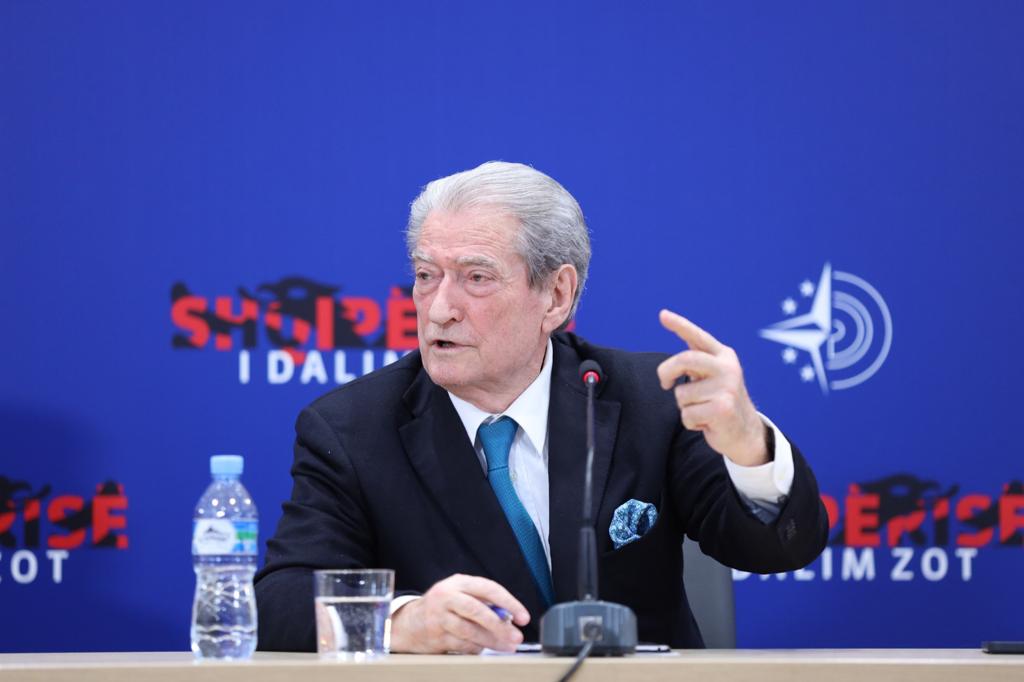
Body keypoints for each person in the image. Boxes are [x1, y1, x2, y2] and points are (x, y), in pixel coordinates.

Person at [254, 161, 828, 653]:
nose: (439, 309)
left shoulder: (649, 400)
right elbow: (279, 603)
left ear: (555, 295)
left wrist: (749, 446)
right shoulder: (352, 429)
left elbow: (778, 548)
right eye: (426, 276)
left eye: (476, 277)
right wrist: (403, 622)